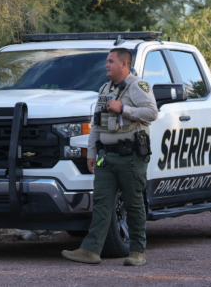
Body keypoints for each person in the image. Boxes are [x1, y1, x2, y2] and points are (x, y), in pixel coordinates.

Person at [62, 48, 158, 266]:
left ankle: (137, 253)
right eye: (106, 61)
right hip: (106, 157)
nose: (106, 65)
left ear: (124, 64)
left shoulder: (138, 86)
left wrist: (123, 108)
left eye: (111, 61)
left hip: (131, 156)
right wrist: (92, 152)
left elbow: (152, 113)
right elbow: (97, 123)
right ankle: (91, 250)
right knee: (102, 203)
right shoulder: (105, 88)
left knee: (133, 204)